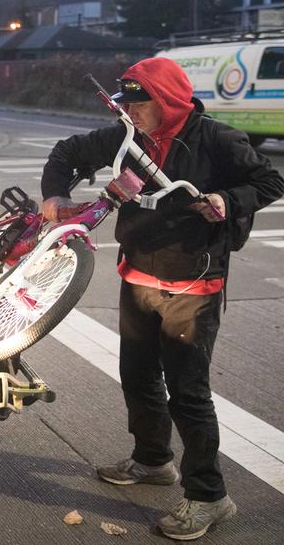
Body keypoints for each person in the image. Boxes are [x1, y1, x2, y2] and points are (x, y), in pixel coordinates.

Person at [40, 57, 284, 541]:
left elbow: (270, 181)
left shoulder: (216, 138)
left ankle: (210, 497)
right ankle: (153, 461)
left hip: (193, 284)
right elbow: (68, 151)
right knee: (137, 374)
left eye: (138, 100)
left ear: (167, 99)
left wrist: (227, 202)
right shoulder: (127, 135)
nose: (128, 109)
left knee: (188, 393)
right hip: (138, 275)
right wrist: (53, 194)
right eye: (124, 101)